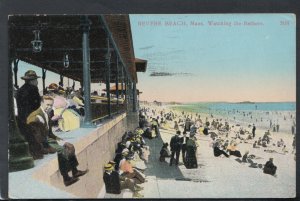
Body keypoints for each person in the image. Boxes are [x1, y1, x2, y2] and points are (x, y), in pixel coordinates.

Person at [27, 95, 88, 186]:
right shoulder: (36, 116)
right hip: (40, 143)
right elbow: (36, 137)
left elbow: (49, 133)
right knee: (62, 150)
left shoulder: (45, 114)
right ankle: (66, 178)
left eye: (51, 105)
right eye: (47, 105)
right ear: (41, 103)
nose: (49, 107)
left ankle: (75, 171)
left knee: (70, 146)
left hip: (47, 140)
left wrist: (58, 139)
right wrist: (48, 146)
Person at [16, 70, 42, 152]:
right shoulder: (34, 88)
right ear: (32, 80)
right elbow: (37, 105)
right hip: (31, 115)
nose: (37, 82)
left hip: (21, 116)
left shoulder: (20, 89)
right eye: (36, 80)